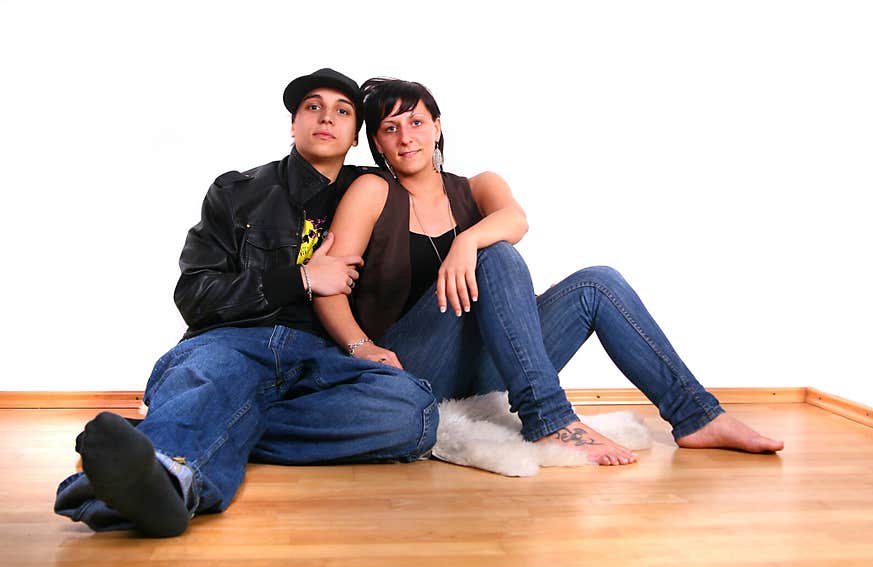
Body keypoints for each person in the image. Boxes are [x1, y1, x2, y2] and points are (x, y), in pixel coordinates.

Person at [313, 77, 784, 467]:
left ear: (437, 127)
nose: (406, 137)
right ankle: (549, 420)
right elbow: (328, 287)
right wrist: (362, 346)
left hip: (480, 367)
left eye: (416, 122)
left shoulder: (479, 187)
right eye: (391, 129)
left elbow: (516, 220)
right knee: (497, 256)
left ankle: (697, 415)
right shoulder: (373, 190)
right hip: (409, 367)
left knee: (597, 282)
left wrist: (466, 239)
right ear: (376, 141)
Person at [53, 69, 438, 538]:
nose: (326, 118)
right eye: (312, 107)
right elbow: (194, 296)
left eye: (343, 111)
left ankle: (184, 433)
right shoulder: (237, 192)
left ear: (357, 135)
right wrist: (299, 277)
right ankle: (165, 485)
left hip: (322, 355)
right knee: (214, 375)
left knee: (412, 411)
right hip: (234, 341)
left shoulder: (373, 192)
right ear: (293, 125)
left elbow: (444, 205)